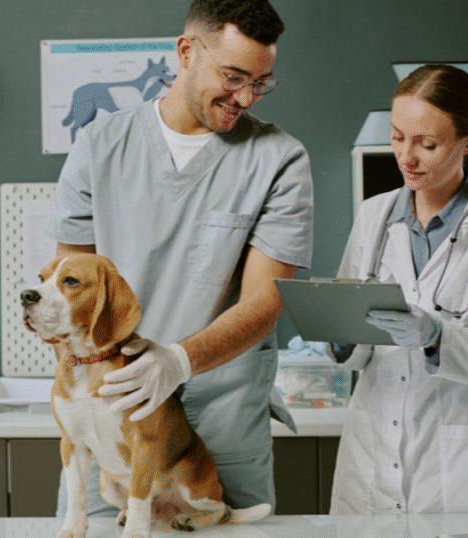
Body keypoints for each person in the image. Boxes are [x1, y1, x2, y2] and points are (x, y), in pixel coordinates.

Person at [45, 0, 313, 519]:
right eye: (233, 76)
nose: (245, 97)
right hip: (109, 417)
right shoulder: (99, 146)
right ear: (187, 51)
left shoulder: (279, 159)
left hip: (220, 427)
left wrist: (177, 361)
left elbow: (265, 300)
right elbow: (68, 291)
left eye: (261, 82)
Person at [327, 64, 468, 515]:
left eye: (427, 144)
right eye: (397, 137)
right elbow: (355, 347)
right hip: (372, 450)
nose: (407, 156)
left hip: (463, 467)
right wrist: (342, 334)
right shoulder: (373, 217)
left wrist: (437, 336)